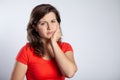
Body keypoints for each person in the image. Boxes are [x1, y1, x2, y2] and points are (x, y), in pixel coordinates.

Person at [11, 4, 77, 80]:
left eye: (53, 21)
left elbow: (69, 73)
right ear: (35, 27)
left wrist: (54, 43)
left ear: (58, 24)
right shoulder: (26, 51)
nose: (49, 27)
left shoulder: (65, 47)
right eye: (43, 23)